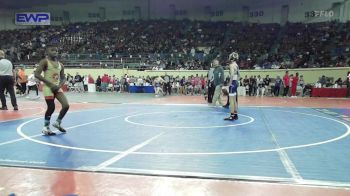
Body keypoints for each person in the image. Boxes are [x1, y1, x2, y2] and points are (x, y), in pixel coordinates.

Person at [34, 46, 70, 136]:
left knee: (66, 105)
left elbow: (63, 77)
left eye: (56, 50)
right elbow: (37, 74)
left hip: (56, 87)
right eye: (52, 50)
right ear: (47, 52)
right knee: (51, 107)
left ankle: (57, 122)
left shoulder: (60, 65)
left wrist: (59, 86)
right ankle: (46, 128)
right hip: (48, 87)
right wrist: (50, 84)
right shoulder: (44, 61)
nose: (55, 51)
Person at [224, 52, 240, 121]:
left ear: (231, 58)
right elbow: (239, 75)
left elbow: (232, 75)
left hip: (233, 83)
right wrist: (236, 82)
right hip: (235, 82)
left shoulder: (231, 65)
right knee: (234, 100)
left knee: (231, 100)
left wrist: (229, 84)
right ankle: (235, 115)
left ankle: (231, 115)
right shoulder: (236, 65)